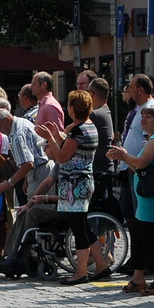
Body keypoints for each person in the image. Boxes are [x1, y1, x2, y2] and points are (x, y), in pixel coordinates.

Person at [39, 90, 103, 284]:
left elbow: (62, 157)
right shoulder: (89, 126)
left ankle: (81, 272)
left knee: (78, 228)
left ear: (73, 108)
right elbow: (69, 147)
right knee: (83, 225)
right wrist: (57, 136)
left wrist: (50, 136)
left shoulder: (78, 130)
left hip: (74, 185)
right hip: (83, 181)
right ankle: (101, 265)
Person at [110, 102, 154, 293]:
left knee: (148, 235)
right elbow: (136, 167)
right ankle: (138, 277)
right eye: (142, 116)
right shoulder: (151, 139)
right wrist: (125, 158)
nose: (143, 120)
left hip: (152, 195)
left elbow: (141, 163)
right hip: (145, 194)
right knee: (138, 233)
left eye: (148, 117)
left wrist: (124, 155)